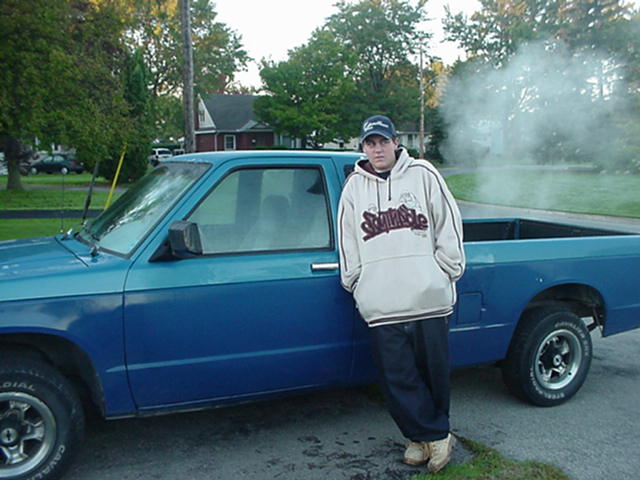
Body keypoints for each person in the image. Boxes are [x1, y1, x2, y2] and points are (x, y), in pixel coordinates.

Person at [338, 115, 465, 473]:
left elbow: (448, 223)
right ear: (363, 147)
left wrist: (446, 271)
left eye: (383, 141)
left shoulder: (423, 174)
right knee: (397, 378)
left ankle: (429, 438)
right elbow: (348, 240)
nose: (377, 149)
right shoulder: (354, 187)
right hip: (382, 303)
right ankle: (425, 436)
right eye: (370, 143)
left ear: (396, 142)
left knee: (433, 373)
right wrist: (357, 283)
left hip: (428, 297)